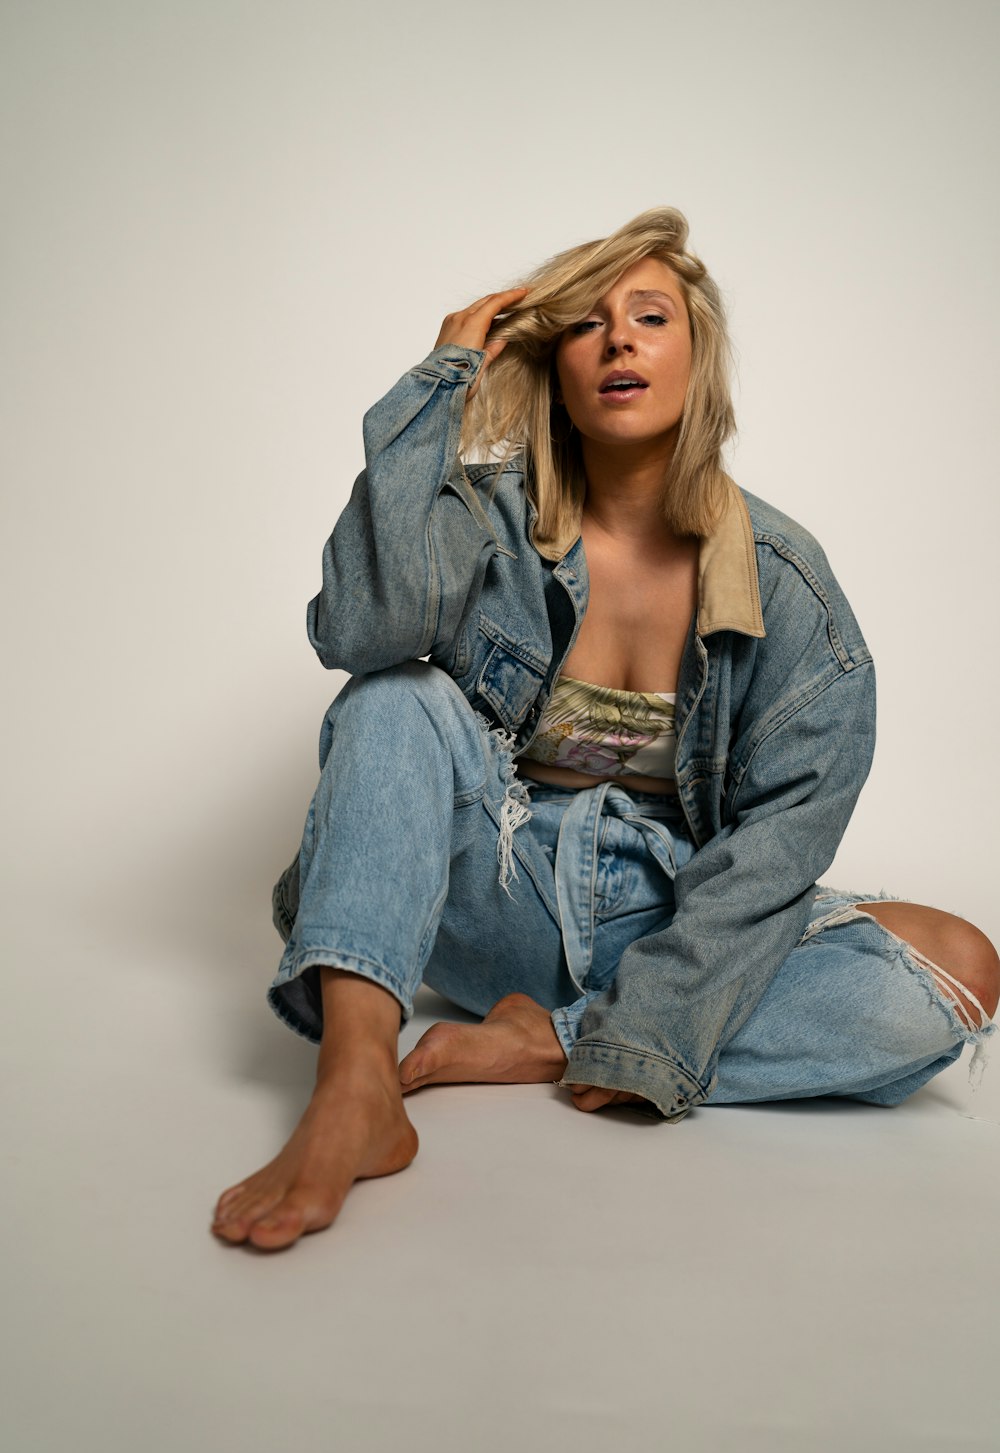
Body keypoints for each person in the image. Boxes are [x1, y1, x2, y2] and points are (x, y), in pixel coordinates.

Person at [212, 207, 1000, 1252]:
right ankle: (355, 1079)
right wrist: (443, 380)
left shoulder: (783, 580)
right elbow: (362, 630)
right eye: (585, 323)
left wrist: (641, 1028)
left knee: (955, 969)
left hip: (665, 915)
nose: (618, 338)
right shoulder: (486, 516)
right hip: (488, 894)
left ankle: (553, 1040)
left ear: (695, 358)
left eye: (648, 316)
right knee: (392, 696)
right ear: (553, 363)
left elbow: (776, 846)